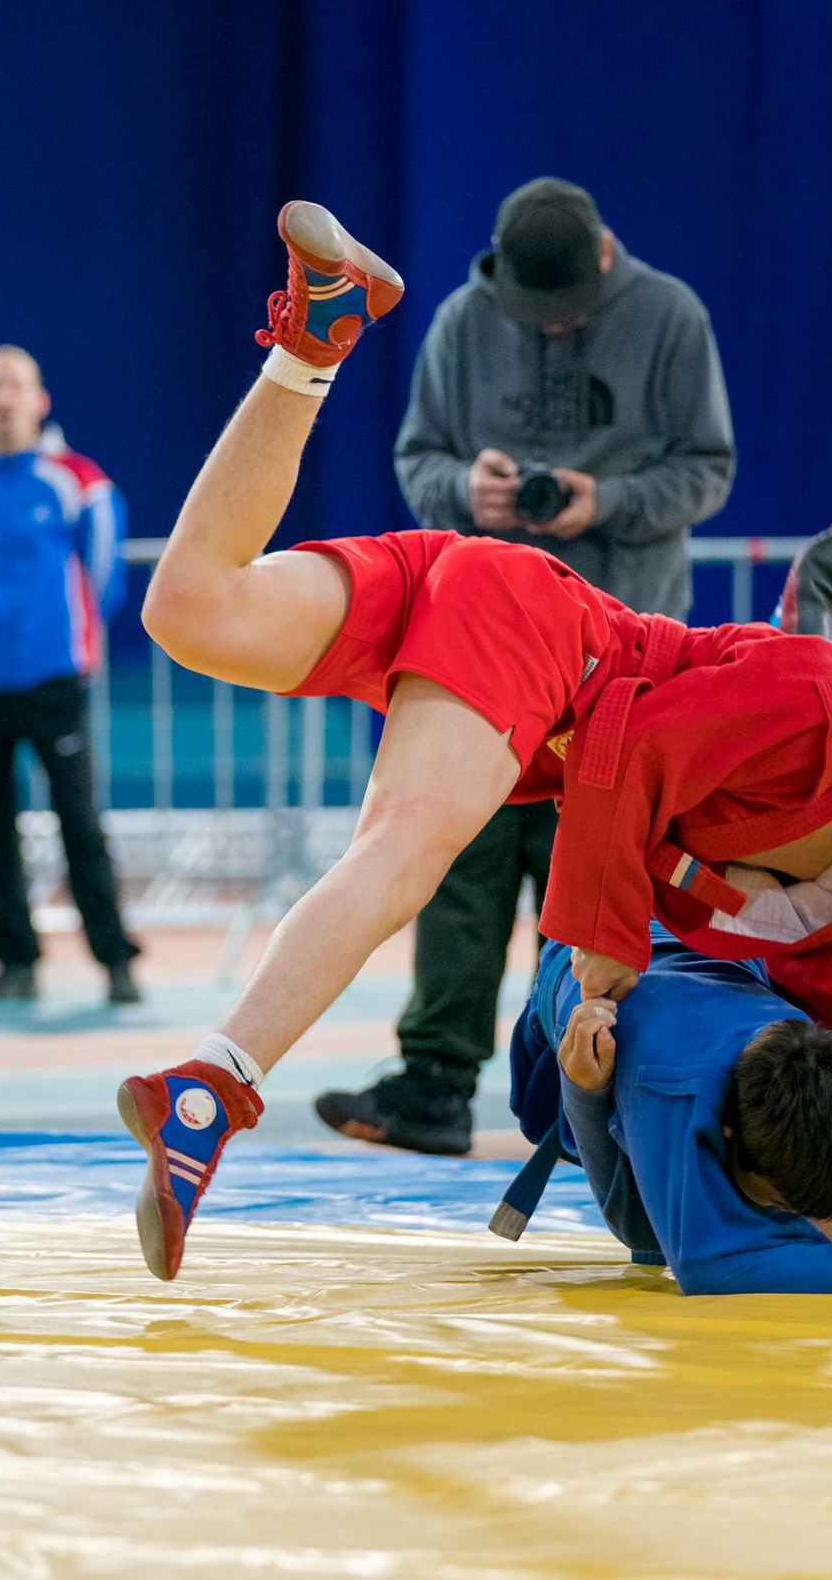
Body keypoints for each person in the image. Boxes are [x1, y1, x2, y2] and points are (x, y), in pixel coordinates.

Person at [114, 201, 832, 1280]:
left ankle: (313, 339)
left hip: (493, 598)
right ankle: (215, 1087)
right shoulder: (819, 706)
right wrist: (603, 953)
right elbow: (621, 741)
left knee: (189, 611)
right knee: (401, 858)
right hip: (550, 645)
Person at [315, 176, 739, 1157]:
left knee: (590, 875)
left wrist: (608, 501)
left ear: (603, 258)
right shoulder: (464, 321)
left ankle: (591, 1097)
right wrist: (465, 488)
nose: (548, 330)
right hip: (483, 639)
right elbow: (418, 459)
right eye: (530, 314)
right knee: (456, 858)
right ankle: (434, 1082)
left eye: (567, 314)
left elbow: (707, 468)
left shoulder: (669, 317)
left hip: (619, 649)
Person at [506, 932, 832, 1294]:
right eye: (783, 1204)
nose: (795, 1221)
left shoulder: (818, 1052)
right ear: (726, 1132)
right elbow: (704, 1268)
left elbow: (828, 1163)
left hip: (704, 945)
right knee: (650, 1232)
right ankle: (582, 1085)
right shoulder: (674, 1089)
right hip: (590, 969)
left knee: (818, 1215)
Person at [0, 346, 142, 1005]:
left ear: (39, 400)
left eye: (15, 385)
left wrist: (78, 641)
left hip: (53, 680)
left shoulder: (80, 482)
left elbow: (104, 574)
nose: (3, 397)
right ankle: (16, 960)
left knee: (79, 821)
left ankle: (115, 960)